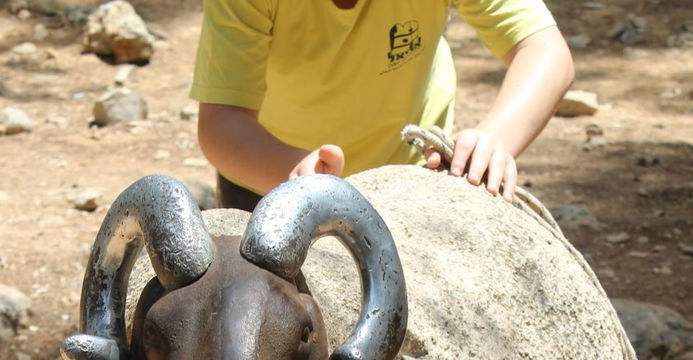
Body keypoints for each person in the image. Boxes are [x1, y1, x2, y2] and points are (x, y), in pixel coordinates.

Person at [190, 0, 575, 210]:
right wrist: (294, 174)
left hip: (410, 180)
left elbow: (543, 49)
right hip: (269, 182)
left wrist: (495, 140)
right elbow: (222, 121)